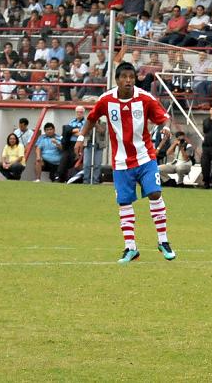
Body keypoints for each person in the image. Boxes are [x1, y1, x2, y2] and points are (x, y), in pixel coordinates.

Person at [74, 62, 176, 263]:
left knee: (155, 193)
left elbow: (164, 118)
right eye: (124, 77)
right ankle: (131, 248)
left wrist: (166, 127)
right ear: (117, 80)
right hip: (121, 162)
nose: (129, 80)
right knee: (124, 201)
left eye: (132, 77)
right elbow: (91, 118)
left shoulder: (145, 98)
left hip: (145, 157)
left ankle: (163, 241)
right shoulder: (106, 100)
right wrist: (80, 138)